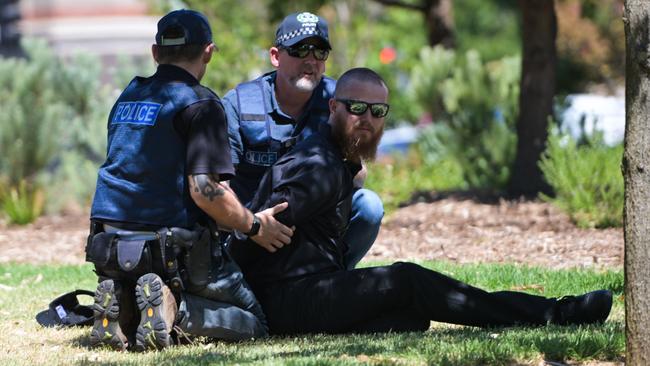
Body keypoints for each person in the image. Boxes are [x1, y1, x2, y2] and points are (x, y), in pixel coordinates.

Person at [229, 67, 613, 335]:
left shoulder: (336, 159)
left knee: (411, 317)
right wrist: (254, 234)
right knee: (407, 280)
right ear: (333, 108)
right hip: (286, 301)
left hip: (308, 291)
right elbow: (262, 226)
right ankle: (553, 313)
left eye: (378, 111)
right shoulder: (318, 166)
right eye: (357, 108)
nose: (368, 119)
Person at [86, 9, 294, 351]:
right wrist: (254, 225)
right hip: (168, 250)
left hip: (108, 247)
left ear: (156, 53)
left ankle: (125, 301)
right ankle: (174, 309)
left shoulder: (130, 95)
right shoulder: (201, 103)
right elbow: (204, 191)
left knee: (143, 278)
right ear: (208, 52)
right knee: (254, 321)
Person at [222, 11, 383, 269]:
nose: (311, 61)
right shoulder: (238, 104)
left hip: (317, 225)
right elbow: (218, 186)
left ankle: (335, 278)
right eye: (300, 50)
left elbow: (358, 176)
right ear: (275, 56)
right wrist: (251, 224)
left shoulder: (339, 100)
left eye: (320, 52)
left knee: (369, 207)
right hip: (253, 225)